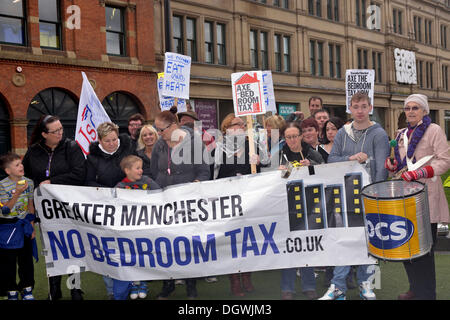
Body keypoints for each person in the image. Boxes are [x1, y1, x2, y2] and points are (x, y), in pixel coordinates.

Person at [320, 92, 389, 300]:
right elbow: (332, 160)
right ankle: (338, 285)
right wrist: (351, 158)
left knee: (369, 242)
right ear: (350, 108)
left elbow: (382, 170)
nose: (359, 111)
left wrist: (376, 197)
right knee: (345, 240)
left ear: (370, 107)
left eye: (363, 106)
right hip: (345, 195)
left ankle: (366, 284)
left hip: (369, 196)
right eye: (355, 107)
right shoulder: (342, 132)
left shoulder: (379, 133)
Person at [385, 94, 450, 300]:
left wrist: (421, 172)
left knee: (425, 249)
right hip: (405, 195)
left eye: (415, 108)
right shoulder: (401, 133)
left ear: (424, 110)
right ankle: (415, 288)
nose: (410, 111)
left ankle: (426, 293)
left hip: (426, 194)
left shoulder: (434, 130)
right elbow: (401, 164)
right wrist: (393, 165)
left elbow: (445, 161)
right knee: (407, 245)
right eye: (407, 108)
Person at [23, 115, 86, 300]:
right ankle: (55, 290)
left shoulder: (72, 147)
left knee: (72, 248)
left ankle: (75, 289)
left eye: (61, 129)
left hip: (69, 208)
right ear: (44, 134)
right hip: (46, 210)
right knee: (51, 248)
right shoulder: (33, 151)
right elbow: (27, 178)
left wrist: (52, 182)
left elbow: (79, 174)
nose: (60, 133)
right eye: (55, 131)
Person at [151, 107, 210, 299]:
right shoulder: (160, 145)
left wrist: (195, 186)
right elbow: (154, 172)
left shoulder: (194, 143)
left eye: (162, 129)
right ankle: (168, 284)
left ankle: (191, 286)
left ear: (174, 126)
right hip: (164, 202)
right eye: (157, 129)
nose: (159, 134)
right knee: (166, 245)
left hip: (187, 203)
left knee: (187, 245)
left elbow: (204, 172)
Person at [211, 113, 262, 297]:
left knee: (248, 239)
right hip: (227, 200)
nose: (241, 127)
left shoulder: (252, 146)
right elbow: (214, 174)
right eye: (236, 124)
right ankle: (234, 279)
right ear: (226, 128)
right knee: (232, 241)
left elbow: (262, 172)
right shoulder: (218, 149)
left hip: (248, 199)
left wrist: (258, 162)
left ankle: (247, 276)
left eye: (242, 124)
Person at [85, 121, 136, 298]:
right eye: (107, 141)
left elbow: (137, 171)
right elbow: (89, 181)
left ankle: (133, 285)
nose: (112, 143)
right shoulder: (92, 158)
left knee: (129, 248)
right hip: (105, 209)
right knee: (108, 251)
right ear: (99, 140)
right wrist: (107, 192)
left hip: (128, 208)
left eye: (114, 139)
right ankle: (111, 290)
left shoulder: (128, 149)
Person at [278, 121, 323, 300]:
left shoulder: (311, 153)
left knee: (306, 245)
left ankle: (309, 285)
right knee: (288, 246)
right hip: (286, 207)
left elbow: (325, 172)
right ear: (284, 138)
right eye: (288, 137)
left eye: (295, 136)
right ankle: (287, 288)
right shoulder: (279, 155)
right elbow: (270, 177)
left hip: (308, 205)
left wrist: (311, 166)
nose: (292, 140)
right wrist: (279, 172)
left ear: (301, 136)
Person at [113, 155, 160, 300]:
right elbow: (113, 205)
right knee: (131, 257)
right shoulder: (120, 187)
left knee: (144, 256)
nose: (141, 171)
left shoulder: (147, 181)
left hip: (145, 228)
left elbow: (159, 193)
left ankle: (143, 283)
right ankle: (134, 283)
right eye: (137, 168)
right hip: (128, 230)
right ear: (127, 170)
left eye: (141, 168)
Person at [0, 153, 35, 300]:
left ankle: (26, 289)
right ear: (8, 171)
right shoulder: (2, 185)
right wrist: (17, 193)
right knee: (8, 261)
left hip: (24, 226)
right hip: (8, 227)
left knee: (26, 260)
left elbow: (30, 205)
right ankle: (11, 290)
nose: (21, 166)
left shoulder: (29, 182)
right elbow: (5, 210)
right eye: (17, 165)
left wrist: (32, 226)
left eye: (21, 163)